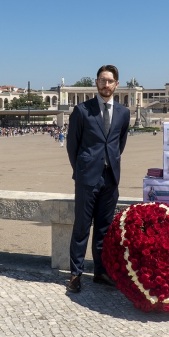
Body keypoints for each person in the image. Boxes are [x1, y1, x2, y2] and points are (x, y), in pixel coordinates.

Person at [66, 65, 130, 294]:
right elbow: (72, 145)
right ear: (96, 82)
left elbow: (118, 144)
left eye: (110, 81)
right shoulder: (82, 110)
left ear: (116, 84)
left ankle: (101, 272)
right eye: (102, 80)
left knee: (104, 228)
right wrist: (82, 170)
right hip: (87, 178)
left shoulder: (123, 112)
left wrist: (109, 163)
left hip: (110, 178)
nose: (106, 84)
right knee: (82, 228)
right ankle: (75, 274)